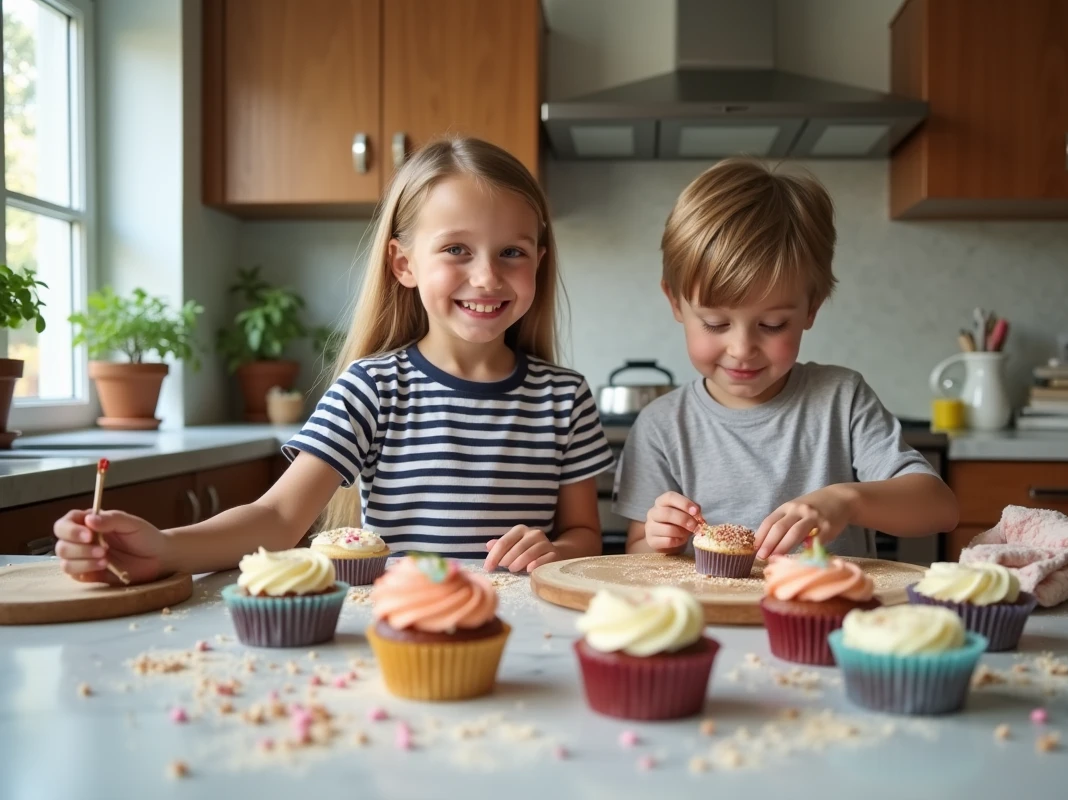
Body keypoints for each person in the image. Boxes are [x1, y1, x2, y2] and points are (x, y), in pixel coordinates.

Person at [53, 138, 614, 583]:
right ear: (403, 264)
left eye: (512, 252)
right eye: (456, 249)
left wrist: (554, 548)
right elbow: (276, 518)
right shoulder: (372, 388)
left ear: (538, 261)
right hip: (393, 635)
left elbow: (585, 533)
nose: (488, 276)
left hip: (522, 636)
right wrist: (167, 546)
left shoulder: (564, 398)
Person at [615, 159, 958, 560]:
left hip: (829, 618)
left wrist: (845, 500)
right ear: (675, 302)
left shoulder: (841, 399)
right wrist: (660, 538)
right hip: (711, 619)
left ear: (811, 308)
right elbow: (638, 553)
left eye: (773, 324)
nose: (742, 348)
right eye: (715, 323)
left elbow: (940, 508)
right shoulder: (661, 425)